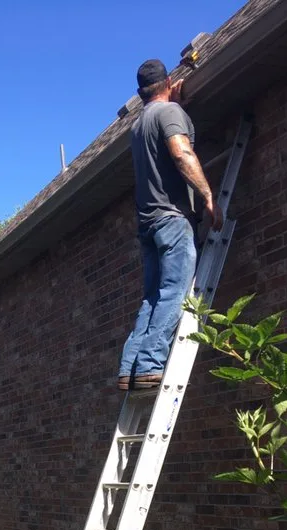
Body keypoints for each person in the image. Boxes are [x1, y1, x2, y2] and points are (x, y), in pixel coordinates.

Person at [118, 59, 223, 391]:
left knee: (152, 297)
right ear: (167, 83)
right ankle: (150, 365)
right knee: (175, 293)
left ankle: (129, 367)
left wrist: (174, 105)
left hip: (148, 223)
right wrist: (207, 195)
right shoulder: (168, 114)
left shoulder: (139, 124)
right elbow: (180, 154)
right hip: (171, 221)